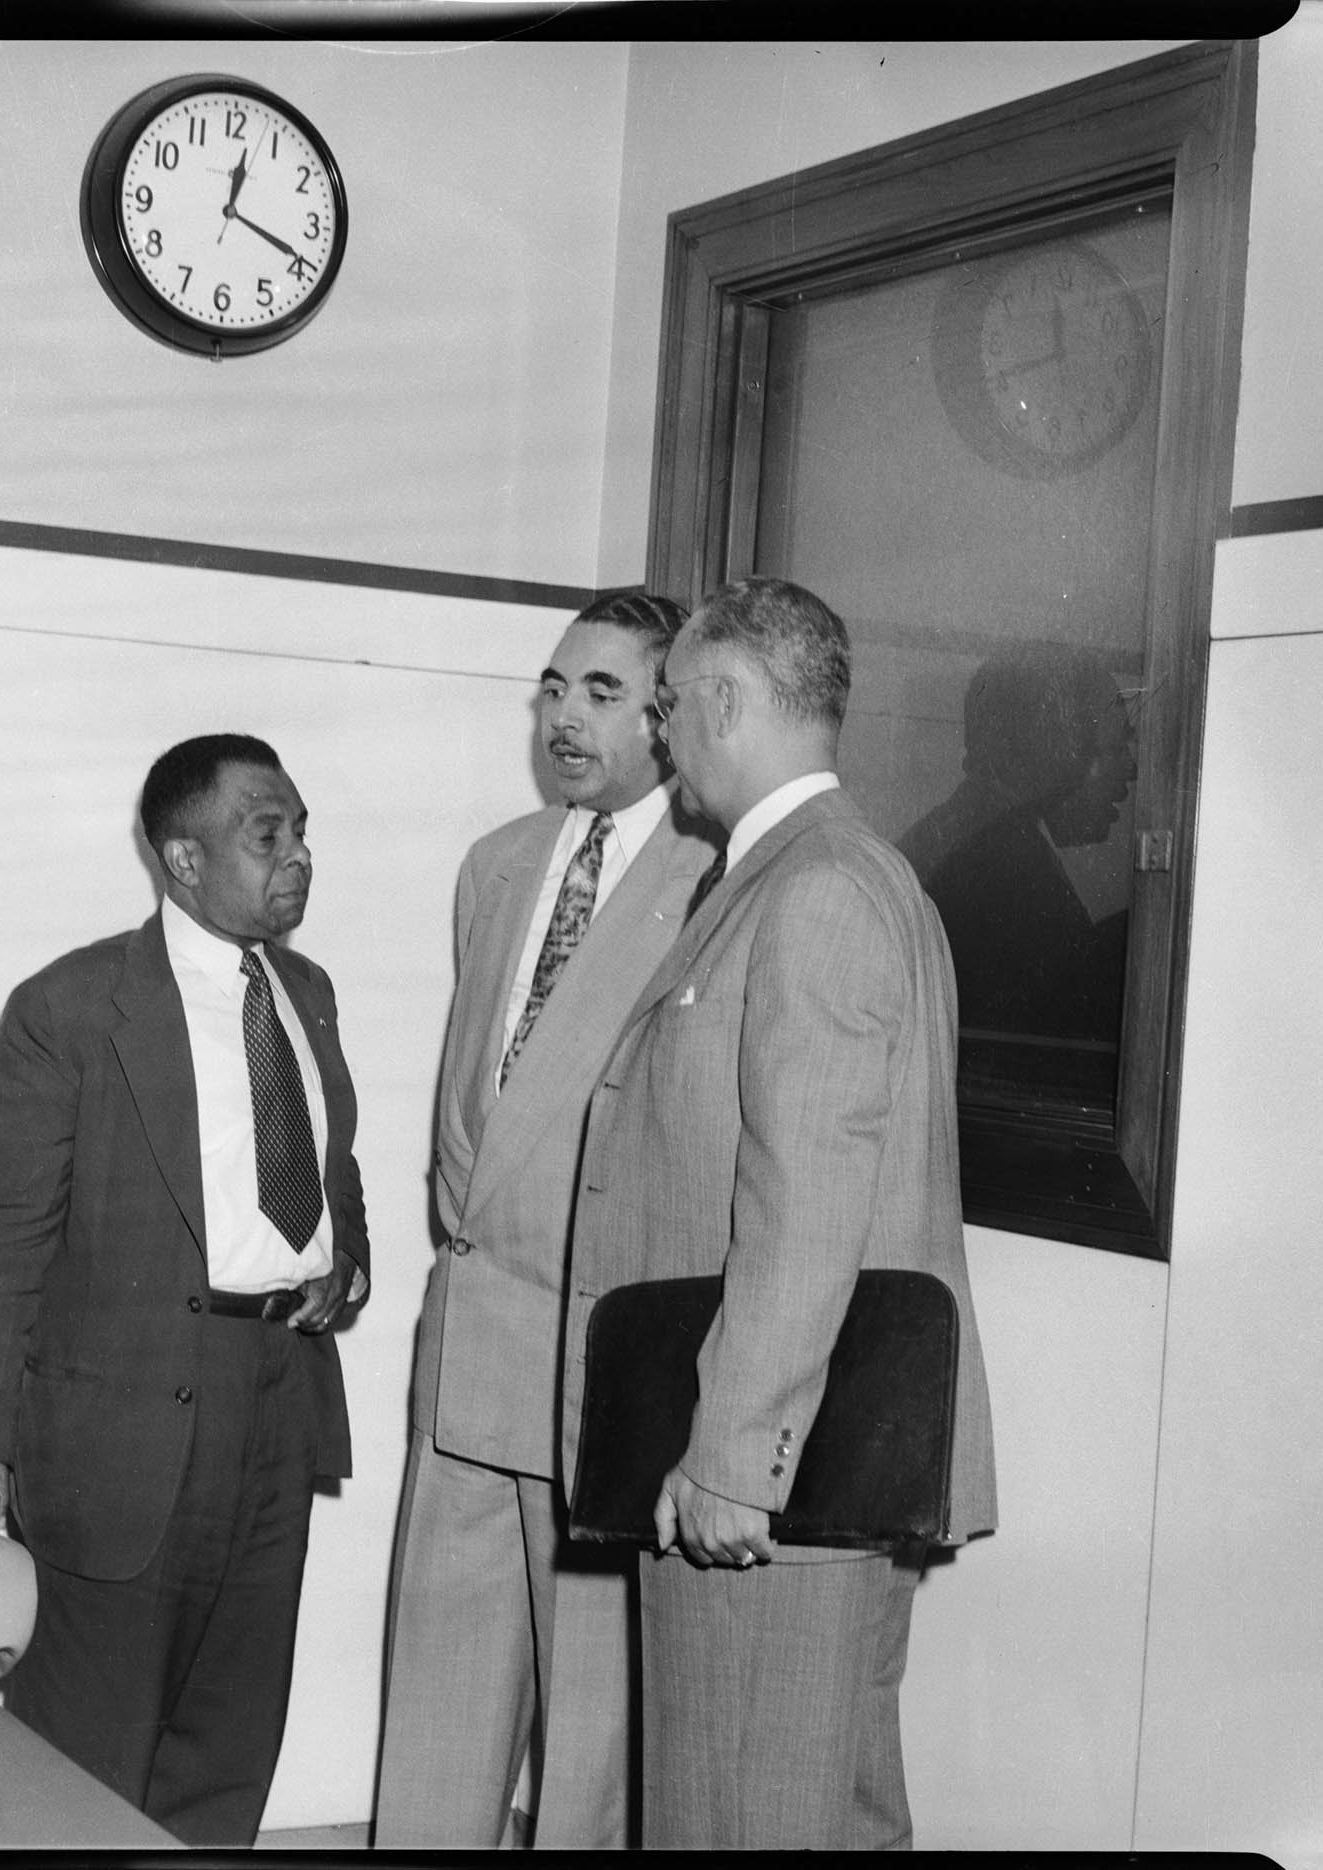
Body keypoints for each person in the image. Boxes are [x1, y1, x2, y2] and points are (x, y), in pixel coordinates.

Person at [561, 578, 997, 1850]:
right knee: (824, 1820)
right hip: (811, 1467)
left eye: (671, 704)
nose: (659, 734)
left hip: (768, 1477)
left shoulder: (815, 893)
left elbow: (807, 1199)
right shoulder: (836, 877)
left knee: (730, 1820)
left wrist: (730, 1452)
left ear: (735, 701)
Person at [0, 734, 368, 1847]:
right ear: (182, 858)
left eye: (302, 829)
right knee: (89, 1767)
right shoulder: (71, 1007)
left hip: (278, 1405)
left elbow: (330, 1170)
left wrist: (345, 1260)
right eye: (269, 834)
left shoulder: (306, 994)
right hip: (118, 1428)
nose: (298, 855)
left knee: (229, 1744)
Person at [373, 591, 717, 1849]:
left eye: (605, 693)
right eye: (555, 686)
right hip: (469, 1353)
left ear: (671, 718)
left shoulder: (713, 880)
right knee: (435, 1729)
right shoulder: (501, 864)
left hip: (597, 1375)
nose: (566, 715)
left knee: (591, 1753)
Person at [896, 645, 1136, 1047]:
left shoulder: (965, 837)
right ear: (1053, 751)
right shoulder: (1000, 871)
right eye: (1113, 748)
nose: (1130, 769)